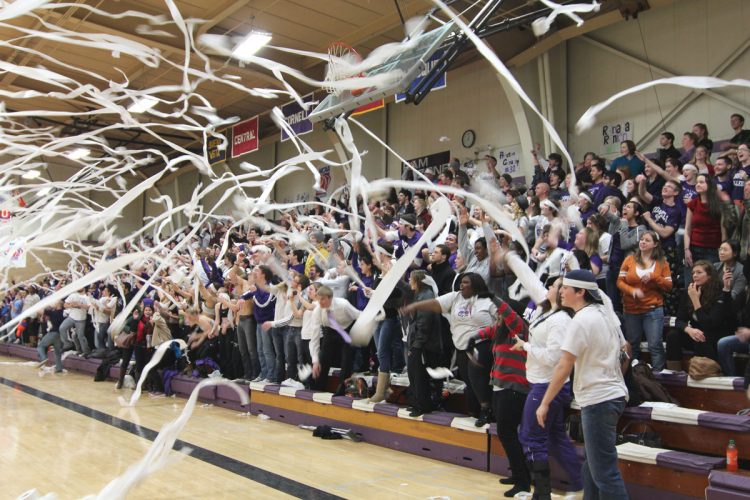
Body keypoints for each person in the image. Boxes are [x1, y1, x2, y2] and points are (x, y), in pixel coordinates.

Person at [536, 270, 629, 500]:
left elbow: (564, 365)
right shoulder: (603, 313)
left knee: (604, 473)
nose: (561, 292)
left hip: (599, 399)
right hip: (611, 394)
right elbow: (626, 350)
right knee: (592, 465)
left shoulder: (582, 319)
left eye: (565, 288)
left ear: (581, 292)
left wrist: (545, 403)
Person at [401, 272, 498, 425]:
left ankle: (487, 411)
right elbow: (434, 303)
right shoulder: (455, 297)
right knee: (469, 381)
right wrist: (415, 305)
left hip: (481, 345)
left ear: (476, 284)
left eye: (466, 282)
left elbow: (502, 320)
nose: (462, 285)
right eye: (461, 282)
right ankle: (475, 411)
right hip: (460, 347)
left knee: (478, 380)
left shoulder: (488, 301)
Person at [617, 231, 672, 371]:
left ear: (655, 244)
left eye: (647, 240)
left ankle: (658, 376)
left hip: (653, 309)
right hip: (631, 309)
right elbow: (619, 282)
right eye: (641, 239)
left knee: (655, 344)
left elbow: (668, 286)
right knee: (632, 344)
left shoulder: (662, 263)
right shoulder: (629, 260)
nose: (642, 242)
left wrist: (654, 277)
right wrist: (632, 291)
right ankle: (633, 376)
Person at [665, 261, 733, 370]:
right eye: (693, 273)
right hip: (696, 333)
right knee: (673, 335)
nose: (695, 275)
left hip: (714, 335)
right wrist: (689, 330)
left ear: (709, 275)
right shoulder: (691, 291)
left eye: (699, 272)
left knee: (702, 337)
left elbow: (709, 324)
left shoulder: (719, 293)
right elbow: (679, 320)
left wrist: (695, 300)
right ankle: (674, 372)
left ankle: (709, 371)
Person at [308, 285, 361, 395]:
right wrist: (315, 361)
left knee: (346, 361)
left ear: (330, 298)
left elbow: (358, 316)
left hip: (348, 330)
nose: (320, 302)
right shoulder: (318, 310)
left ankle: (341, 390)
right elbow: (314, 337)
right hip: (331, 330)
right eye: (318, 299)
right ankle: (318, 388)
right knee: (323, 359)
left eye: (322, 299)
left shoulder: (343, 304)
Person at [404, 270, 442, 416]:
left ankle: (423, 406)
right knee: (415, 375)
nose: (409, 281)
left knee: (420, 376)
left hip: (424, 346)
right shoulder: (421, 295)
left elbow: (424, 325)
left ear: (418, 281)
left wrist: (416, 346)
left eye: (411, 279)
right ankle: (417, 403)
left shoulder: (426, 297)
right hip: (420, 343)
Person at [685, 174, 725, 267]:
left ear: (710, 185)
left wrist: (722, 249)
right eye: (697, 182)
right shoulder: (692, 204)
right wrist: (687, 249)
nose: (697, 184)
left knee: (711, 278)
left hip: (714, 249)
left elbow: (724, 231)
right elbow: (687, 229)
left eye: (701, 182)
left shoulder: (719, 204)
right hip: (694, 248)